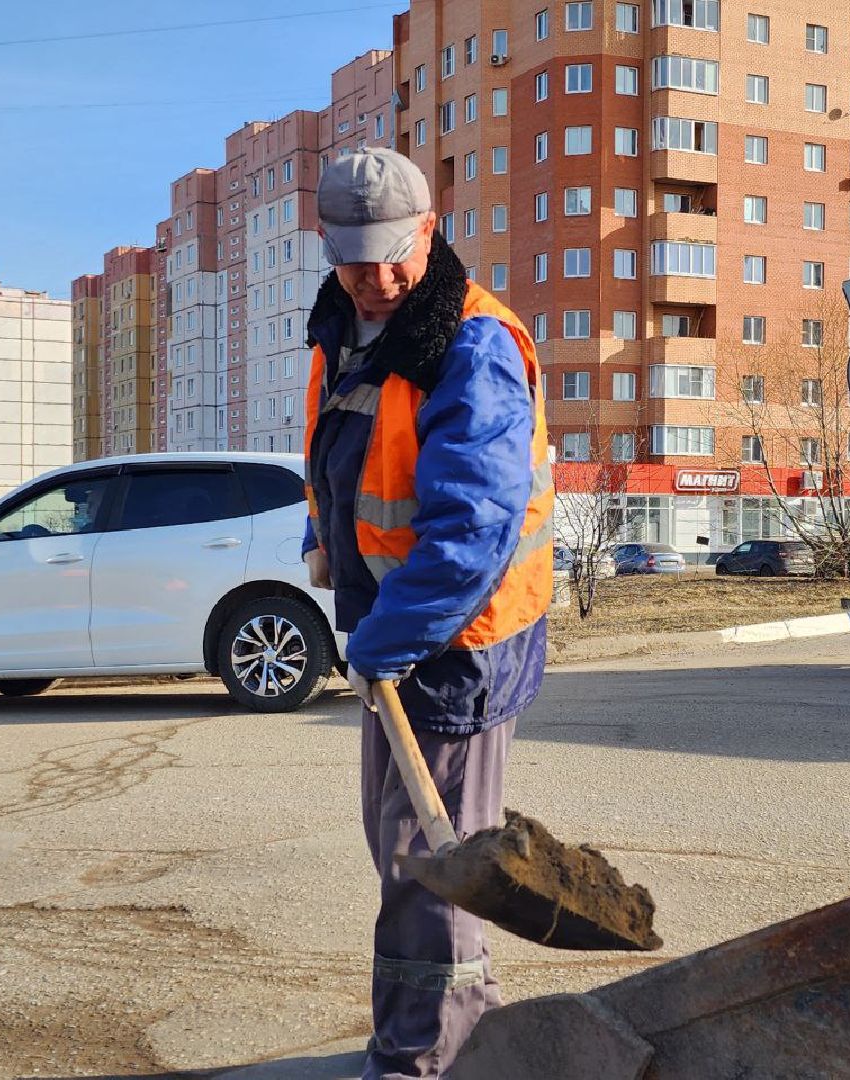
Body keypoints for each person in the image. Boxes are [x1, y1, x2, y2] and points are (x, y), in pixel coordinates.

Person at [300, 148, 553, 1079]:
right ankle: (454, 1030)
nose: (377, 277)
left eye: (394, 254)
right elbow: (340, 456)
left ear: (431, 231)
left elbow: (470, 530)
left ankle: (428, 1060)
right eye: (355, 258)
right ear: (328, 249)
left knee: (427, 866)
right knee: (404, 848)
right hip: (395, 633)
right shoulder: (343, 331)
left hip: (457, 642)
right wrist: (322, 541)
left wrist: (387, 637)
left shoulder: (472, 345)